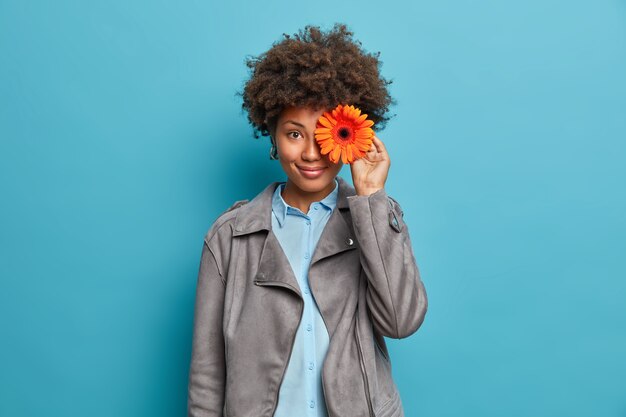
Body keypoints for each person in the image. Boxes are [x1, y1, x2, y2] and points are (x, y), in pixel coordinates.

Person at [187, 23, 428, 417]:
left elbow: (401, 322)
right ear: (272, 137)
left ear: (349, 136)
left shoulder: (377, 216)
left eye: (324, 135)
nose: (311, 153)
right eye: (294, 134)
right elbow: (207, 371)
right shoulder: (228, 236)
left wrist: (371, 198)